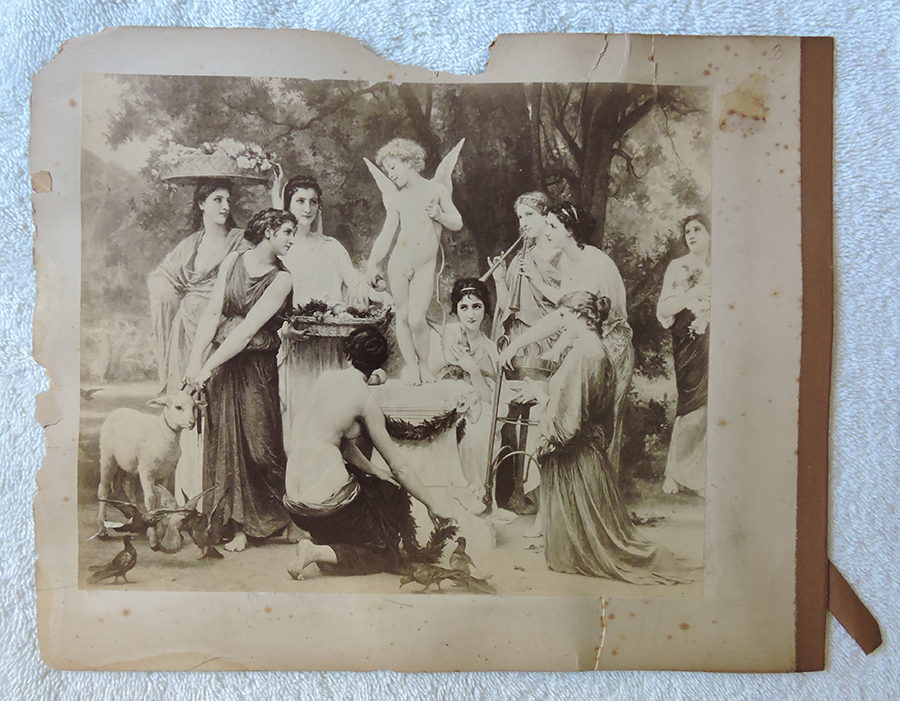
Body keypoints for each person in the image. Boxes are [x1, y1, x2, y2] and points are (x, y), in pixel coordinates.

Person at [514, 292, 693, 584]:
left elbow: (569, 420)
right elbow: (578, 403)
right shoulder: (594, 349)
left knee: (581, 555)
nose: (561, 323)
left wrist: (539, 396)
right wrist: (544, 396)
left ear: (581, 316)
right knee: (575, 551)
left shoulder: (585, 353)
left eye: (564, 316)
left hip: (575, 459)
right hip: (585, 452)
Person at [283, 326, 454, 579]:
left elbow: (337, 441)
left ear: (348, 354)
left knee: (360, 509)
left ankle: (325, 549)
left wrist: (373, 470)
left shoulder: (325, 378)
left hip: (294, 504)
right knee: (386, 554)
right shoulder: (365, 400)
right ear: (378, 365)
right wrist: (433, 505)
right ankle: (314, 552)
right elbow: (399, 467)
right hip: (328, 505)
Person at [184, 208, 298, 552]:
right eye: (287, 232)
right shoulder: (233, 260)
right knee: (224, 445)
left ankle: (285, 517)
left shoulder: (282, 279)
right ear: (269, 231)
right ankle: (237, 528)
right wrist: (195, 360)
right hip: (223, 364)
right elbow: (213, 312)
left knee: (261, 447)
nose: (292, 239)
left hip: (255, 365)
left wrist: (208, 366)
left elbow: (248, 330)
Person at [499, 202, 634, 476]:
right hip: (588, 344)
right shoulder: (567, 260)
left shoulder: (595, 263)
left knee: (600, 427)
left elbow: (570, 316)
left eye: (553, 226)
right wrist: (522, 344)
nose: (546, 231)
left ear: (570, 230)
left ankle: (597, 492)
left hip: (610, 349)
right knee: (576, 422)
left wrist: (543, 346)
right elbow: (567, 313)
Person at [271, 172, 389, 444]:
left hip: (331, 348)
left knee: (333, 420)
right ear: (288, 204)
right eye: (300, 201)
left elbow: (356, 283)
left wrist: (380, 294)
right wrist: (285, 330)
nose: (307, 208)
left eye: (313, 202)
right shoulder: (282, 250)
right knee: (299, 418)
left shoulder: (331, 247)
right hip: (297, 349)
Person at [147, 178, 247, 499]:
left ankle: (219, 494)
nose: (225, 206)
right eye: (217, 199)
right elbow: (162, 277)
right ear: (201, 204)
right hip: (187, 331)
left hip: (221, 331)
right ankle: (186, 491)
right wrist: (166, 295)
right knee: (185, 402)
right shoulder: (190, 245)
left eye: (228, 200)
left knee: (217, 403)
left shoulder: (241, 241)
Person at [365, 138, 464, 384]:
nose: (391, 174)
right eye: (387, 170)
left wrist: (439, 215)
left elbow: (457, 222)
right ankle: (412, 368)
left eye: (393, 167)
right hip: (399, 263)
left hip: (424, 266)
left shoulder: (436, 190)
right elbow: (388, 233)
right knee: (402, 316)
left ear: (409, 162)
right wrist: (372, 262)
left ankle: (424, 365)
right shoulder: (397, 198)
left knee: (417, 318)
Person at [488, 191, 562, 511]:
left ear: (546, 217)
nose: (524, 223)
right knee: (513, 418)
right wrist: (500, 280)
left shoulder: (562, 254)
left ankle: (542, 495)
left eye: (529, 215)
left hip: (549, 344)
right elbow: (509, 307)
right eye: (520, 217)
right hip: (518, 344)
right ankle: (515, 492)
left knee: (542, 419)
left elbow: (569, 304)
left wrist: (537, 280)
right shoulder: (522, 256)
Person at [656, 214, 711, 496]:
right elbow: (665, 309)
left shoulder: (722, 266)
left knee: (712, 407)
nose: (691, 235)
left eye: (698, 229)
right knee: (691, 406)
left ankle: (698, 477)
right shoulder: (679, 266)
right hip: (689, 341)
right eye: (688, 231)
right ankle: (675, 473)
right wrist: (694, 293)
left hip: (716, 340)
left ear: (711, 234)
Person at [440, 278, 498, 499]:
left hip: (477, 408)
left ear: (485, 309)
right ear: (456, 309)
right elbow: (424, 370)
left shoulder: (490, 348)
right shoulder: (446, 334)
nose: (470, 314)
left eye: (476, 306)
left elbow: (491, 398)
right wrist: (448, 356)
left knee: (476, 431)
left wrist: (473, 371)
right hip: (444, 401)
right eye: (463, 307)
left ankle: (473, 494)